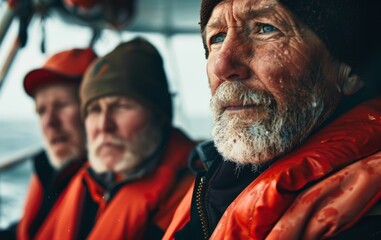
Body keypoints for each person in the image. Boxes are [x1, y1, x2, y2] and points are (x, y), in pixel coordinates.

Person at [163, 0, 381, 239]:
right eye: (217, 38)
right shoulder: (214, 178)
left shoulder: (366, 221)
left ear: (351, 72)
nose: (223, 65)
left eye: (266, 28)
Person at [38, 37, 196, 240]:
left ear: (159, 115)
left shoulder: (193, 197)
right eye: (94, 110)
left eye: (121, 107)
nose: (104, 125)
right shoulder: (90, 182)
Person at [0, 48, 97, 240]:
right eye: (41, 111)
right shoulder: (52, 170)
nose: (49, 122)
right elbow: (35, 227)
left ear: (95, 109)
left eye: (62, 105)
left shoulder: (102, 191)